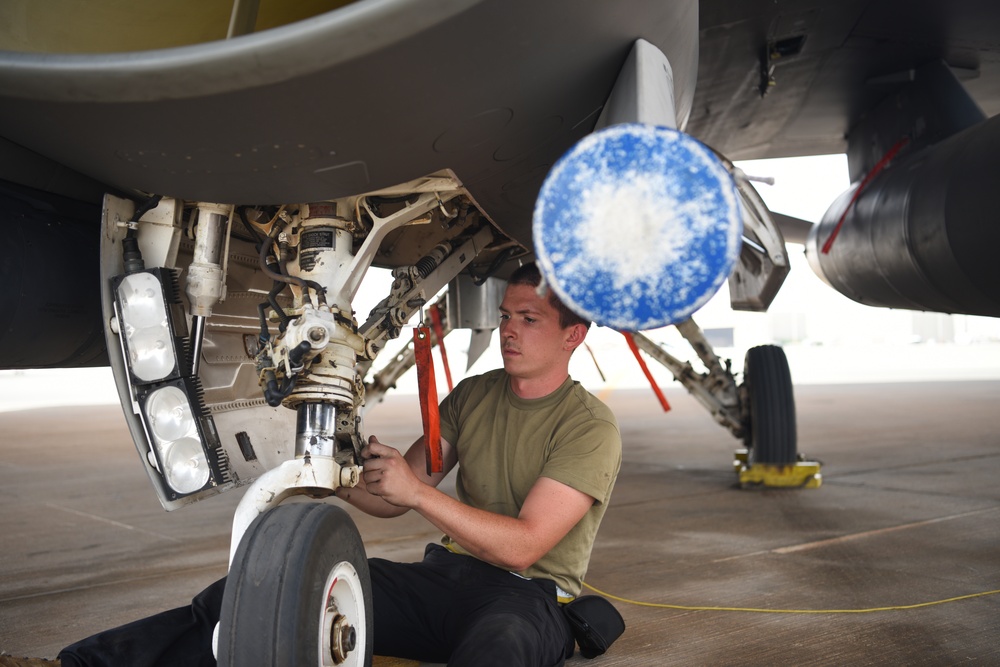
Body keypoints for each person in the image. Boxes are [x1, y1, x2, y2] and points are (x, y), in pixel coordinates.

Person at [59, 262, 622, 667]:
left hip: (531, 596)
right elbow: (391, 499)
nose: (508, 330)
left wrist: (418, 493)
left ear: (574, 334)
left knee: (498, 650)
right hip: (443, 577)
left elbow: (524, 546)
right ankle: (91, 661)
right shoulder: (475, 395)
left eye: (529, 319)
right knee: (262, 593)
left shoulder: (588, 427)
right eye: (505, 316)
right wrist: (334, 473)